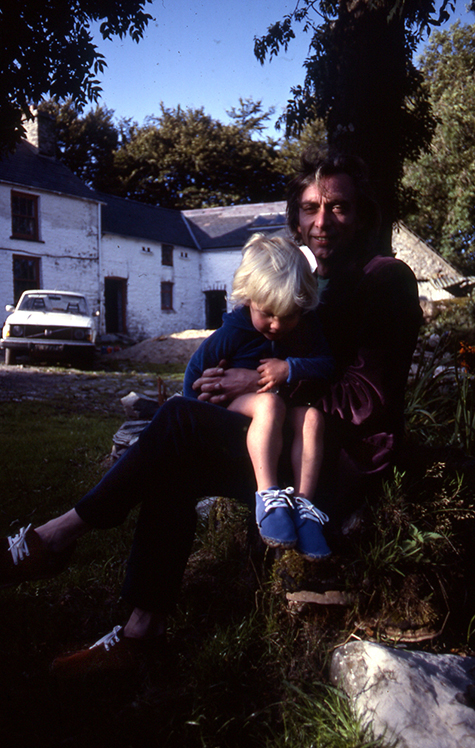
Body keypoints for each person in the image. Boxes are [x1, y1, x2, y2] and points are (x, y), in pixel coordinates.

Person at [0, 150, 422, 676]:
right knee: (175, 452)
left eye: (338, 207)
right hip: (281, 447)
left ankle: (58, 536)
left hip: (336, 461)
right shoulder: (304, 285)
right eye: (311, 207)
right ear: (295, 216)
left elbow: (368, 404)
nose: (322, 221)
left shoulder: (384, 279)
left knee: (178, 421)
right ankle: (142, 632)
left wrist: (271, 381)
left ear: (362, 215)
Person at [183, 232, 335, 559]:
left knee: (311, 417)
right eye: (267, 313)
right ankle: (268, 497)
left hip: (282, 404)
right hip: (238, 407)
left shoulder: (308, 327)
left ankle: (305, 508)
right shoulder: (235, 329)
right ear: (249, 299)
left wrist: (290, 368)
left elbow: (327, 364)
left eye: (288, 315)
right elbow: (194, 372)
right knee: (269, 402)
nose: (277, 325)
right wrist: (198, 411)